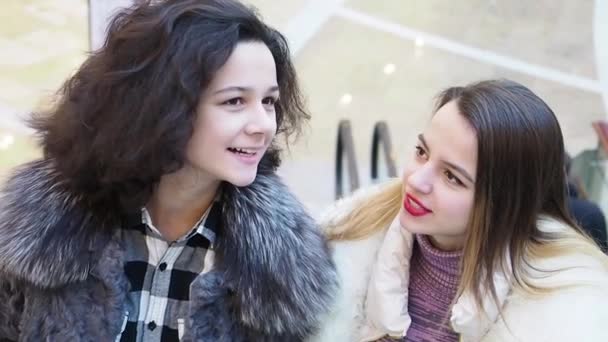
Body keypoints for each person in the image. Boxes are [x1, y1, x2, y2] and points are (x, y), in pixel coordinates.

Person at [0, 1, 337, 341]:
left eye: (269, 101)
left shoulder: (283, 272)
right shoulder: (41, 227)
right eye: (234, 101)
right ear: (163, 105)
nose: (264, 125)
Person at [311, 80, 608, 341]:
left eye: (452, 177)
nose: (416, 180)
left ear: (502, 205)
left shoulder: (560, 313)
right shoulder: (350, 234)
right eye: (421, 152)